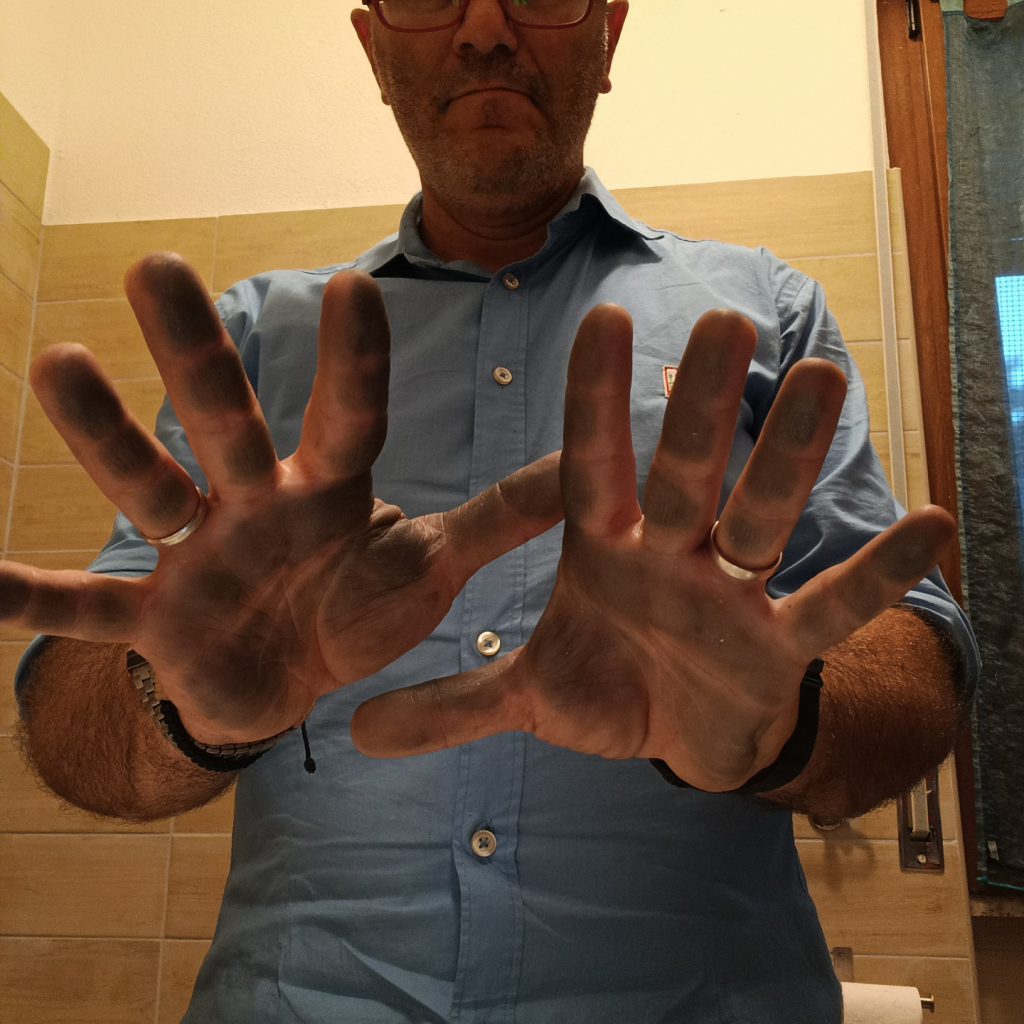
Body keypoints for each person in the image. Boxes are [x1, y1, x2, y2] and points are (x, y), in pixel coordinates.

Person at [6, 1, 977, 1021]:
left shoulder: (764, 309)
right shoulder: (250, 339)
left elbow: (910, 664)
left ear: (608, 34)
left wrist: (786, 717)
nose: (482, 31)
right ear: (374, 50)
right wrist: (180, 708)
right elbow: (78, 729)